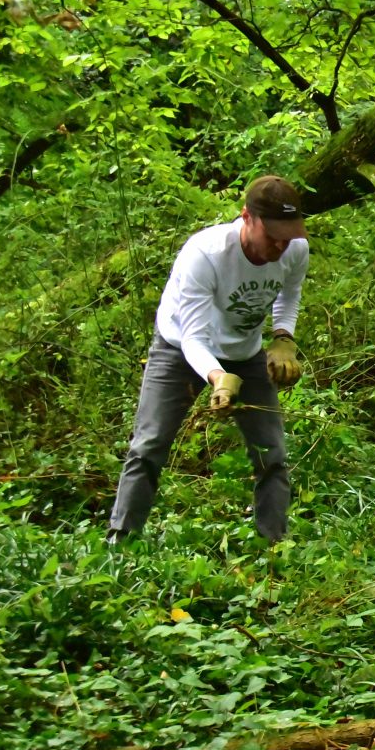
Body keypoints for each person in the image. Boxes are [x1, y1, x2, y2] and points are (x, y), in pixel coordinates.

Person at [107, 175, 309, 544]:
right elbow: (193, 337)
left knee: (272, 453)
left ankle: (274, 548)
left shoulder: (293, 249)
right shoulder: (206, 253)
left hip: (245, 353)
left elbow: (289, 293)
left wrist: (283, 338)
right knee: (149, 444)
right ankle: (121, 543)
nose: (281, 244)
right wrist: (218, 377)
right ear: (247, 218)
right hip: (178, 349)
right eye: (273, 234)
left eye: (288, 233)